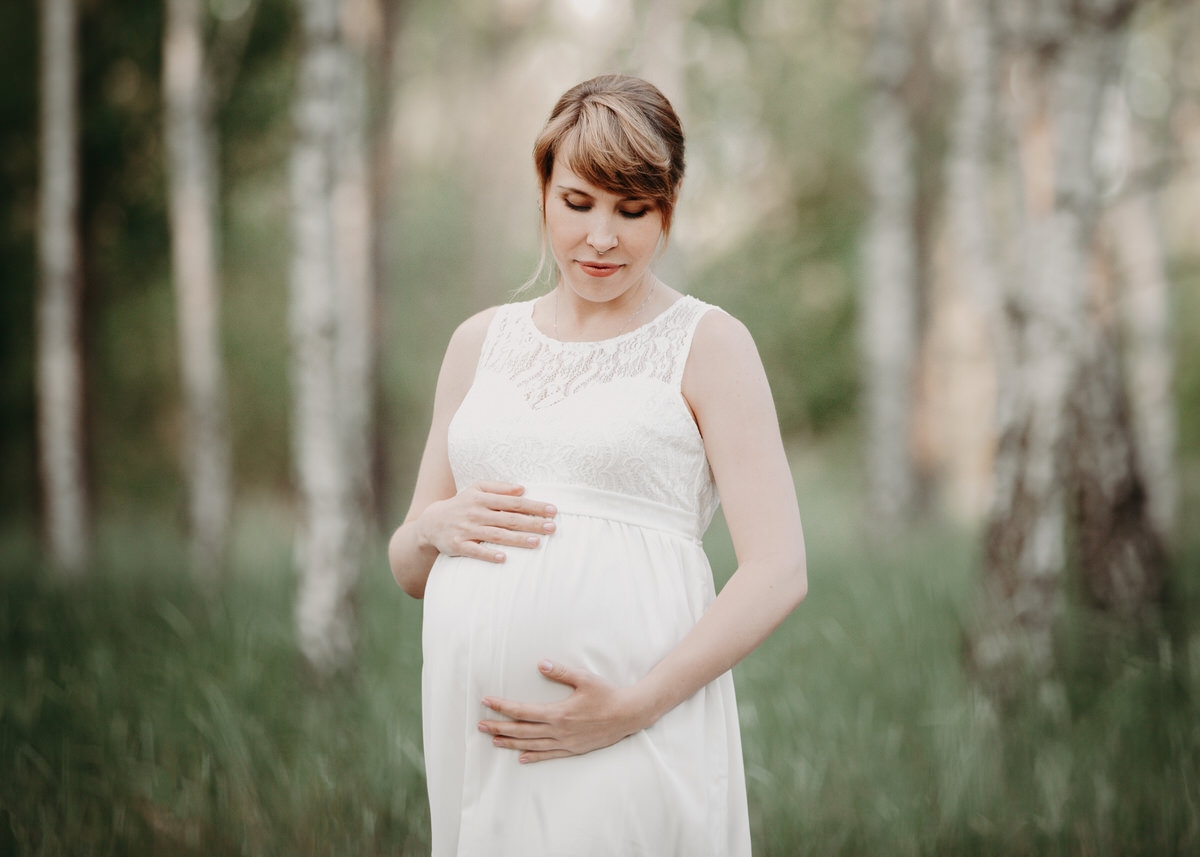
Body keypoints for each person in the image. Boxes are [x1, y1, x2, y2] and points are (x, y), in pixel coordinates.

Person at [388, 74, 807, 857]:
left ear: (669, 206)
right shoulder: (477, 342)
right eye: (579, 204)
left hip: (633, 733)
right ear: (544, 189)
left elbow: (779, 568)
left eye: (632, 210)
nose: (601, 238)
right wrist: (434, 527)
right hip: (481, 750)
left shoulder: (709, 345)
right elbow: (408, 562)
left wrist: (634, 705)